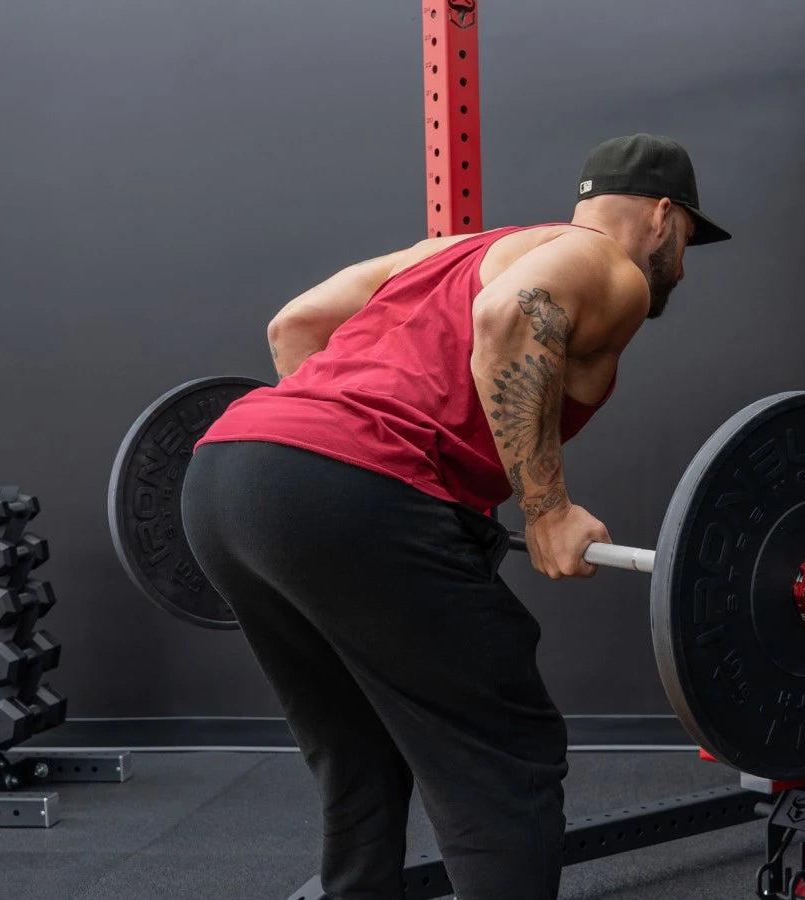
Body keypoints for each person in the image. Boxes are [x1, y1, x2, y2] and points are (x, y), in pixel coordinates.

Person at [179, 134, 729, 899]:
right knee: (505, 755)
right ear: (663, 217)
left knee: (358, 749)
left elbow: (294, 327)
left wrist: (328, 460)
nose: (682, 265)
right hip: (339, 488)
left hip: (226, 476)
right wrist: (547, 511)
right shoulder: (609, 264)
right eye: (689, 242)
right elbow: (509, 318)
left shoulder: (461, 250)